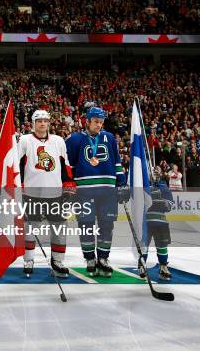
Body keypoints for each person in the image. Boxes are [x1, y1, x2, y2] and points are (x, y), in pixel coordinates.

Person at [66, 107, 128, 277]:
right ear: (87, 121)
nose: (99, 125)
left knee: (106, 225)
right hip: (83, 191)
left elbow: (116, 163)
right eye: (96, 121)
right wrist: (68, 186)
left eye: (101, 122)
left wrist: (121, 184)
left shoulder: (109, 138)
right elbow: (69, 166)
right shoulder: (74, 139)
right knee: (86, 225)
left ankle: (103, 258)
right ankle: (89, 258)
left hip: (107, 190)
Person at [18, 110, 75, 278]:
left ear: (49, 123)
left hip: (56, 194)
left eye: (45, 120)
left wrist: (68, 185)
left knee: (59, 229)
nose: (42, 123)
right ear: (33, 123)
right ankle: (28, 260)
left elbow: (65, 165)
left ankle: (57, 261)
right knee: (30, 229)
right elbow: (18, 166)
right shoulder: (25, 140)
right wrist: (19, 187)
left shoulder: (58, 141)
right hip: (31, 193)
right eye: (39, 120)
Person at [138, 166, 174, 281]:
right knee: (144, 246)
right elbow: (138, 202)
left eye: (157, 171)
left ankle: (163, 267)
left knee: (162, 246)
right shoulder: (144, 186)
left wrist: (156, 201)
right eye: (153, 172)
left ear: (161, 173)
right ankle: (142, 266)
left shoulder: (164, 187)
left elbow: (170, 205)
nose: (155, 174)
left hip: (161, 222)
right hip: (146, 222)